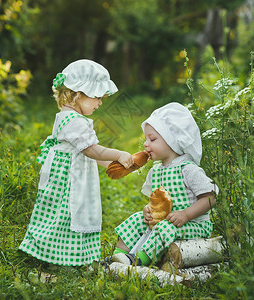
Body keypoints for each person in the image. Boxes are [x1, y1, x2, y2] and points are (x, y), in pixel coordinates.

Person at [19, 59, 134, 266]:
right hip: (69, 180)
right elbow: (91, 150)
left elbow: (85, 151)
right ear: (78, 95)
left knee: (67, 214)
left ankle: (68, 255)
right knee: (66, 214)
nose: (100, 103)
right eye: (97, 97)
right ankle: (55, 255)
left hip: (73, 173)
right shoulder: (73, 120)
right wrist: (116, 154)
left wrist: (111, 165)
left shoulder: (71, 117)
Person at [105, 102, 218, 266]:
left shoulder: (188, 170)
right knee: (136, 219)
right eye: (145, 139)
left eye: (152, 139)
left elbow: (210, 198)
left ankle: (139, 260)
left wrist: (186, 214)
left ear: (173, 141)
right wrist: (147, 210)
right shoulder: (155, 171)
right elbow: (155, 201)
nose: (145, 144)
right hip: (165, 222)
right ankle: (118, 256)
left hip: (193, 224)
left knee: (164, 228)